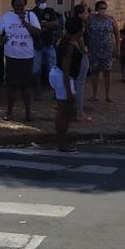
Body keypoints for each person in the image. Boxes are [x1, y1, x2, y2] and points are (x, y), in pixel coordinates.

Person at [0, 0, 41, 121]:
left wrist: (24, 22)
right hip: (11, 56)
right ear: (13, 6)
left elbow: (37, 32)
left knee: (26, 86)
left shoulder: (31, 16)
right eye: (17, 5)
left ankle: (28, 113)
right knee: (11, 86)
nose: (19, 8)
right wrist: (2, 39)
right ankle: (9, 112)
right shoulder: (7, 17)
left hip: (26, 57)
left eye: (21, 5)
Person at [49, 17, 85, 153]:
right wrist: (68, 90)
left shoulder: (70, 40)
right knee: (63, 110)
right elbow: (66, 67)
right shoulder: (69, 44)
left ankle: (63, 140)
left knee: (66, 110)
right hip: (63, 76)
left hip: (62, 75)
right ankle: (61, 143)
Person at [31, 0, 63, 99]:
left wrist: (41, 25)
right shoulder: (32, 13)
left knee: (53, 69)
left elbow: (55, 24)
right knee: (36, 70)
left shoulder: (50, 11)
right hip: (37, 45)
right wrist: (46, 26)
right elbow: (32, 28)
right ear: (36, 2)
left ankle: (55, 92)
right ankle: (38, 92)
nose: (43, 3)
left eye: (44, 1)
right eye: (41, 1)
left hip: (49, 44)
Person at [87, 0, 119, 103]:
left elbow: (116, 33)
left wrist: (117, 47)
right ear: (97, 9)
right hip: (94, 49)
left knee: (107, 73)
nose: (103, 10)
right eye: (101, 8)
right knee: (94, 72)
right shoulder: (91, 19)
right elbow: (85, 31)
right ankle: (94, 94)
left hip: (107, 50)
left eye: (104, 8)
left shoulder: (110, 19)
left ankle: (107, 95)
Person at [70, 3, 91, 122]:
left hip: (72, 55)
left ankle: (73, 111)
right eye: (86, 13)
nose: (88, 15)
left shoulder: (71, 23)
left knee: (73, 83)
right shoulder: (80, 27)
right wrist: (84, 50)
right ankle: (79, 112)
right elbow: (80, 39)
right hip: (79, 55)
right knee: (79, 84)